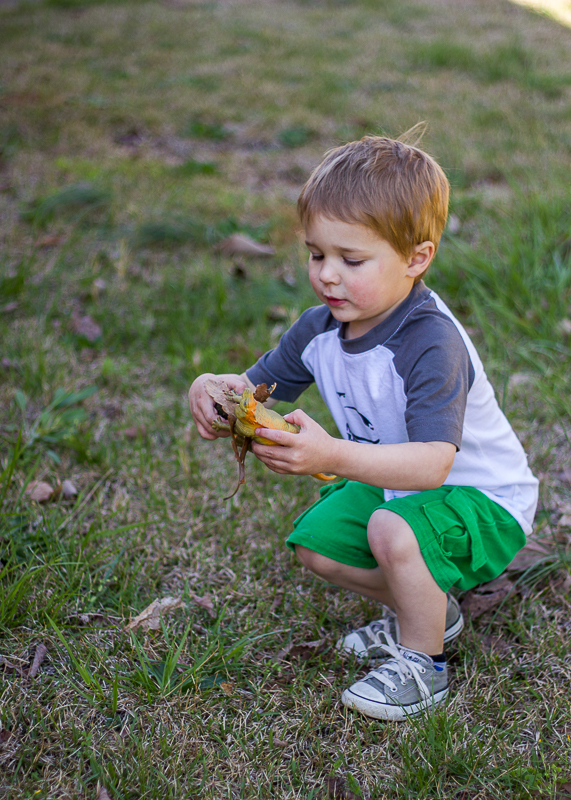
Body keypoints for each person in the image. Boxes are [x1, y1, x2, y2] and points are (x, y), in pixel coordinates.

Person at [188, 132, 538, 721]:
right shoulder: (320, 327)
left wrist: (333, 453)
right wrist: (213, 391)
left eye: (352, 261)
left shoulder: (430, 343)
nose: (328, 275)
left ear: (416, 258)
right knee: (317, 541)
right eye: (316, 253)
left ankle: (423, 665)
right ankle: (431, 610)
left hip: (482, 497)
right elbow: (253, 386)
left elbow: (434, 463)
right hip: (400, 487)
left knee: (390, 529)